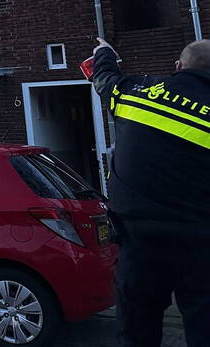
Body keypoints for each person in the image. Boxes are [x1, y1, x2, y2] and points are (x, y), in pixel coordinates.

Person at [90, 37, 210, 346]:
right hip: (200, 244)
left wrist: (104, 54)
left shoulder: (139, 93)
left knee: (136, 330)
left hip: (140, 242)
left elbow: (105, 81)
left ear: (178, 67)